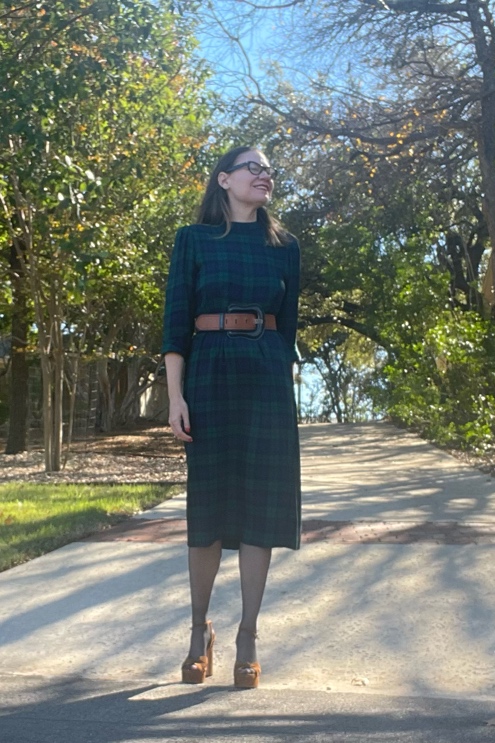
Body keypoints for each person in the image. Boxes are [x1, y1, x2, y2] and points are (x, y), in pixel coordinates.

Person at [162, 145, 301, 689]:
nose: (265, 176)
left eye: (270, 169)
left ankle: (248, 636)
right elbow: (176, 323)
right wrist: (175, 398)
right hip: (208, 371)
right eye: (254, 168)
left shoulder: (284, 246)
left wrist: (279, 380)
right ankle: (199, 632)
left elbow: (287, 328)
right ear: (224, 180)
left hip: (265, 377)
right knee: (209, 512)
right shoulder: (192, 240)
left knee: (261, 510)